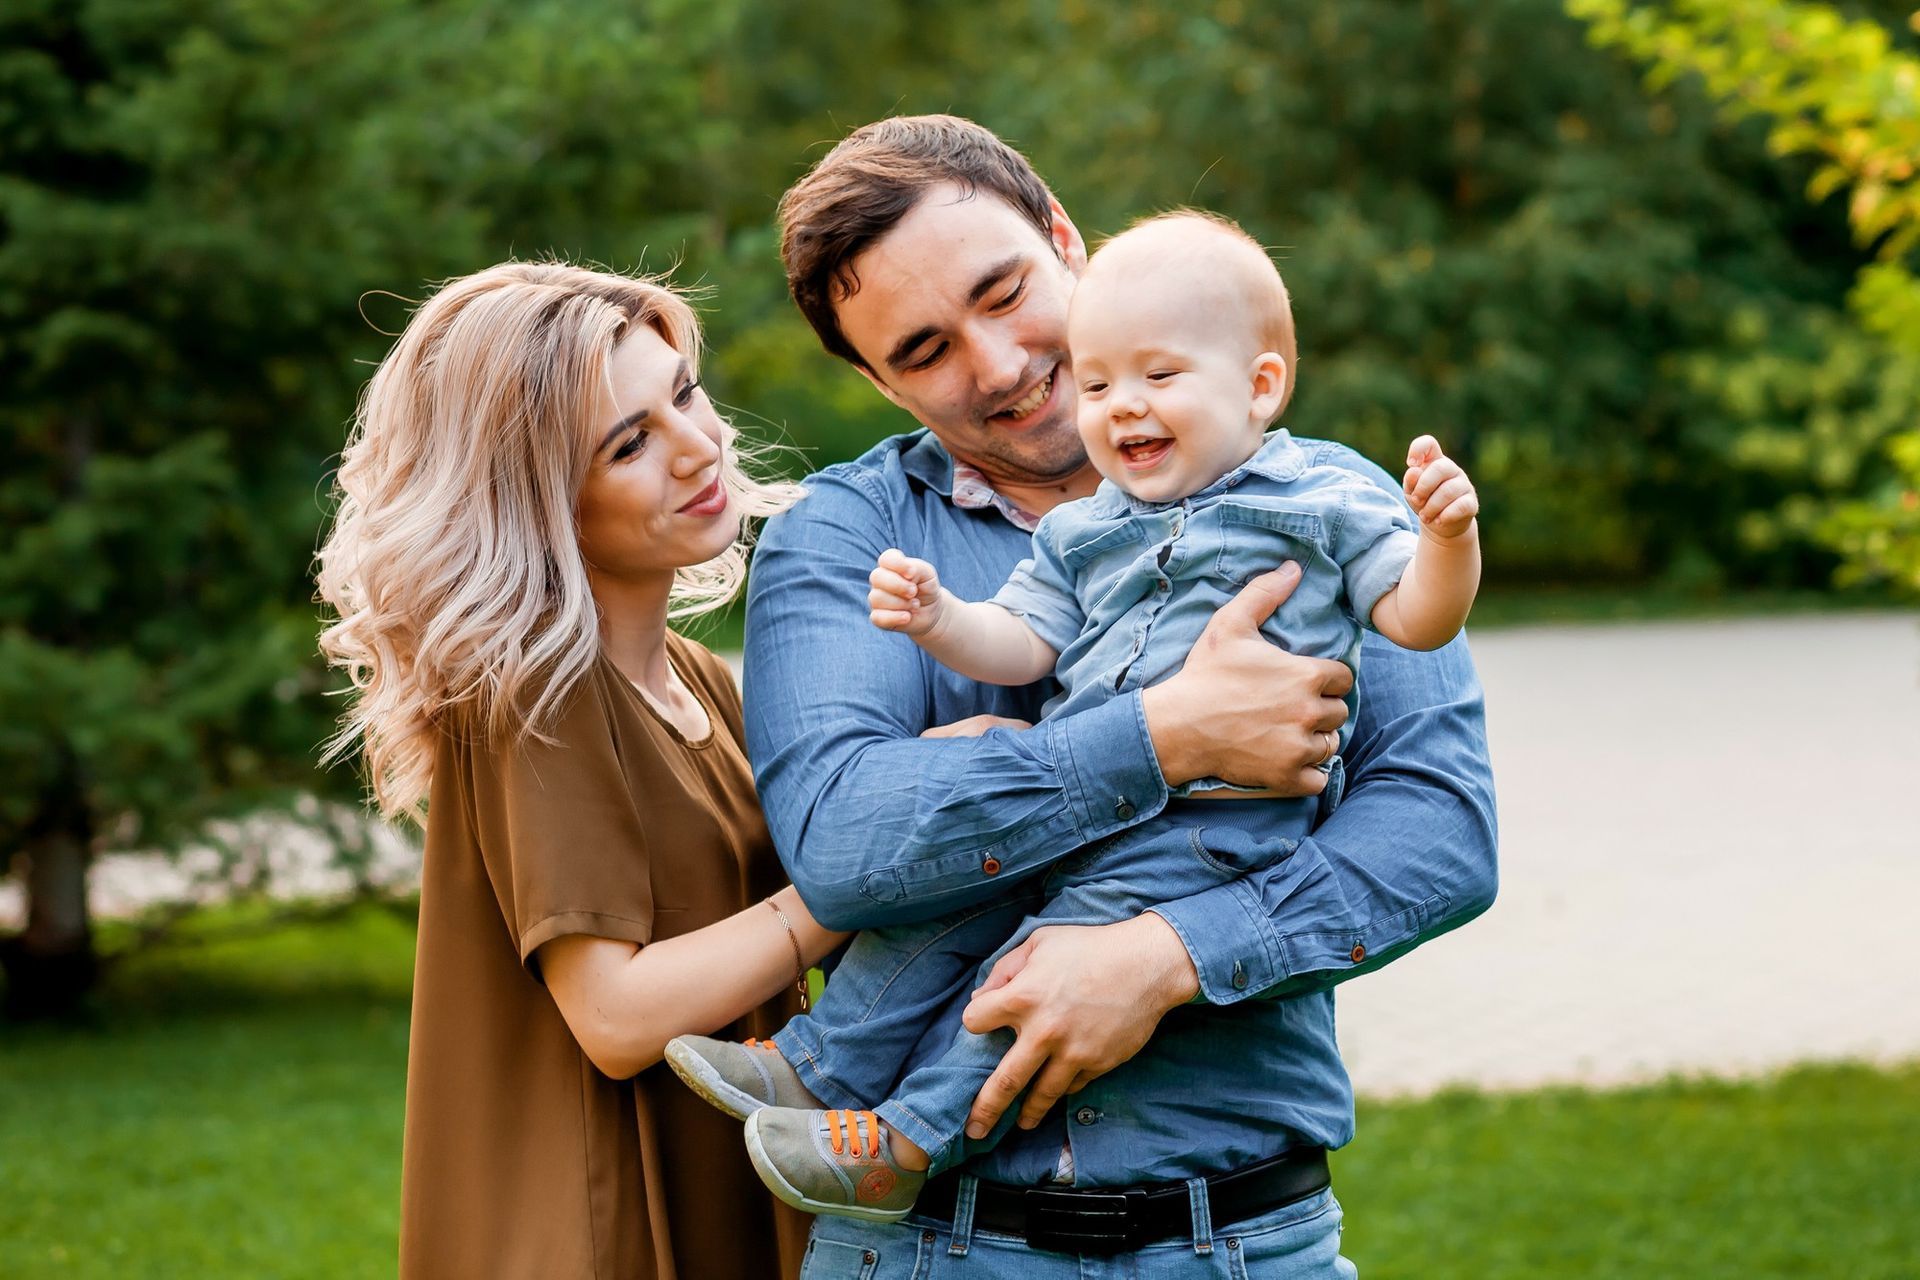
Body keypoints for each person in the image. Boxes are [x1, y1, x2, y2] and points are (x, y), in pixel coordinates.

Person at [739, 116, 1499, 1274]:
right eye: (925, 348)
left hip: (1242, 1236)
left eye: (1004, 292)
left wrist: (1165, 954)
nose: (995, 364)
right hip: (939, 1249)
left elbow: (1438, 834)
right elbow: (847, 840)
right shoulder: (849, 541)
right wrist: (1164, 733)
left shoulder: (1318, 498)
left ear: (1066, 241)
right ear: (876, 381)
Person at [313, 262, 843, 1279]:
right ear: (539, 501)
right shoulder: (537, 697)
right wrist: (853, 882)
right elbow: (617, 1014)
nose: (698, 446)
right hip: (601, 1227)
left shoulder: (691, 676)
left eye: (683, 392)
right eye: (629, 443)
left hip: (726, 1188)